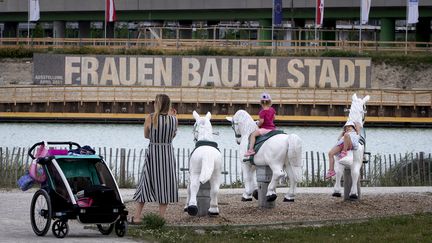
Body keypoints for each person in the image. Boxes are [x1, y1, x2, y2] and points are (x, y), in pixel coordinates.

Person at [130, 94, 178, 223]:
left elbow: (146, 136)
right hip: (167, 154)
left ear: (158, 104)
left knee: (145, 183)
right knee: (165, 184)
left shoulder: (150, 118)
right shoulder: (174, 120)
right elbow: (172, 136)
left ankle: (137, 217)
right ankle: (160, 218)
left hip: (153, 153)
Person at [244, 92, 276, 157]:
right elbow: (274, 118)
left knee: (253, 135)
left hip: (265, 129)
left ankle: (250, 150)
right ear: (269, 102)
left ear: (261, 102)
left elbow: (261, 121)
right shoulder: (272, 109)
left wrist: (258, 124)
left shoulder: (262, 112)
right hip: (272, 129)